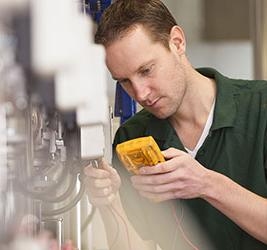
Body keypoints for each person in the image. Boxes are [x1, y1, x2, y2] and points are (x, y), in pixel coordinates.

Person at [84, 0, 267, 249]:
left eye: (146, 70)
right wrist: (109, 202)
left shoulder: (260, 108)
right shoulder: (132, 137)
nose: (140, 93)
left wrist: (207, 184)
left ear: (177, 42)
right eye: (124, 81)